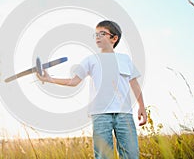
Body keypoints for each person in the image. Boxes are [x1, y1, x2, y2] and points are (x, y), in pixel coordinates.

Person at [37, 20, 147, 159]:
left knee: (131, 154)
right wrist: (49, 79)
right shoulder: (91, 60)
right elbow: (74, 81)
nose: (98, 37)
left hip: (124, 114)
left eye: (102, 33)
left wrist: (142, 107)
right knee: (103, 156)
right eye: (95, 34)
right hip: (100, 114)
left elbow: (134, 84)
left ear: (114, 38)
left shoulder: (124, 59)